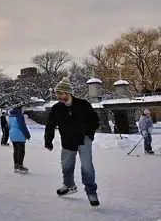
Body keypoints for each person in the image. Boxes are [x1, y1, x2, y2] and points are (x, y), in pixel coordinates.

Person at [44, 77, 101, 207]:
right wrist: (48, 140)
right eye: (57, 93)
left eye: (60, 93)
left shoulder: (83, 104)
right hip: (68, 141)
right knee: (66, 166)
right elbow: (50, 125)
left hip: (83, 139)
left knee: (87, 167)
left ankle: (91, 192)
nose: (58, 96)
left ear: (67, 93)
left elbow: (95, 120)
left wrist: (89, 134)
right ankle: (69, 186)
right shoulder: (57, 108)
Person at [8, 105, 31, 173]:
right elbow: (22, 126)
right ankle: (20, 166)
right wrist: (27, 135)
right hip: (19, 134)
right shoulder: (19, 116)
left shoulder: (10, 116)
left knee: (15, 150)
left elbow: (9, 126)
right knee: (21, 151)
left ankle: (16, 166)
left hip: (12, 134)